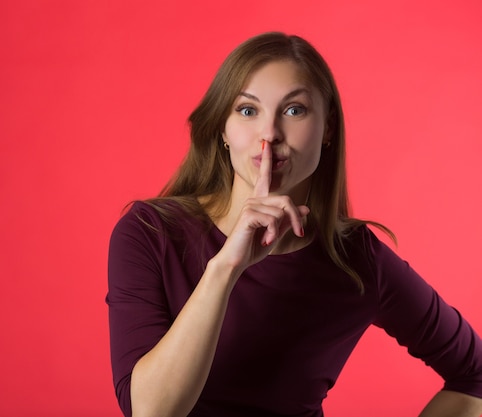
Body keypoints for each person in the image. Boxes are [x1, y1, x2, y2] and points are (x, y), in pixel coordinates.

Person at [106, 32, 482, 417]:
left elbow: (475, 374)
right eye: (248, 111)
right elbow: (151, 411)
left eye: (294, 110)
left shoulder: (357, 260)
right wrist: (226, 268)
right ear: (222, 128)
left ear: (329, 129)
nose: (269, 134)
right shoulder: (150, 233)